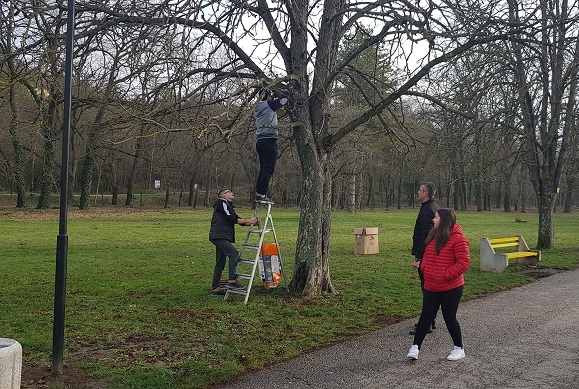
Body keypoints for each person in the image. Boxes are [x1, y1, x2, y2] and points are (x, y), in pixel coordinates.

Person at [406, 208, 470, 361]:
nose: (433, 220)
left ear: (445, 220)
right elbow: (427, 256)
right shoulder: (433, 235)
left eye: (436, 217)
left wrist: (446, 274)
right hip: (432, 285)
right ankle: (415, 348)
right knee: (426, 316)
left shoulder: (458, 239)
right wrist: (425, 269)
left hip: (451, 287)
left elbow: (464, 262)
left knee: (449, 317)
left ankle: (459, 348)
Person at [209, 189, 259, 296]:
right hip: (219, 236)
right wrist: (248, 220)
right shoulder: (221, 203)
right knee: (234, 253)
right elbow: (230, 218)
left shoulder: (227, 205)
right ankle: (232, 281)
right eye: (229, 191)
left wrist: (251, 223)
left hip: (221, 236)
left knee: (220, 262)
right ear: (223, 195)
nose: (232, 192)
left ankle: (216, 288)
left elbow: (236, 218)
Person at [409, 182, 440, 335]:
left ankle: (426, 323)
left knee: (427, 290)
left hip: (427, 256)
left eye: (420, 190)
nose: (417, 192)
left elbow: (426, 237)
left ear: (426, 193)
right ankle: (430, 320)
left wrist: (419, 258)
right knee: (430, 290)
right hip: (432, 256)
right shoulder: (433, 207)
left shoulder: (428, 210)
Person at [253, 89, 288, 204]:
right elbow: (284, 99)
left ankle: (259, 193)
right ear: (267, 96)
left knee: (263, 169)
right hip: (269, 140)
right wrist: (282, 91)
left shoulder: (258, 107)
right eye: (271, 96)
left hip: (260, 141)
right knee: (268, 169)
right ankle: (262, 194)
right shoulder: (269, 104)